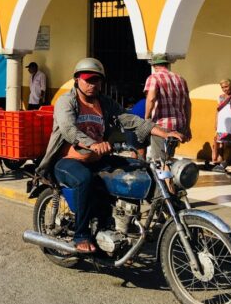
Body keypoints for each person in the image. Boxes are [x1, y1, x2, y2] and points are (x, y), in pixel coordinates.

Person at [36, 57, 180, 253]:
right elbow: (69, 129)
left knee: (140, 169)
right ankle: (81, 235)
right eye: (87, 79)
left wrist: (163, 132)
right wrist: (93, 144)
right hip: (67, 161)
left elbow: (129, 119)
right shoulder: (66, 101)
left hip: (97, 159)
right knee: (84, 179)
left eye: (96, 80)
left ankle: (125, 225)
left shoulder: (104, 102)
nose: (91, 84)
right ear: (77, 79)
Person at [144, 54, 192, 141]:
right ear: (167, 64)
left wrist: (146, 119)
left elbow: (151, 99)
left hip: (161, 125)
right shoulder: (181, 79)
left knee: (159, 154)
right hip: (179, 125)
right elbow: (188, 104)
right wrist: (187, 126)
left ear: (154, 66)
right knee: (169, 153)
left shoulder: (153, 78)